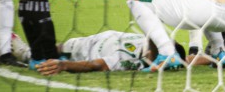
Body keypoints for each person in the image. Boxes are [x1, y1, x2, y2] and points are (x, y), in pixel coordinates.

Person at [33, 31, 169, 75]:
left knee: (43, 54)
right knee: (45, 47)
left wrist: (64, 65)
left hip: (84, 49)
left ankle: (22, 51)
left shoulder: (131, 61)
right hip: (96, 38)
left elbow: (97, 65)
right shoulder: (147, 38)